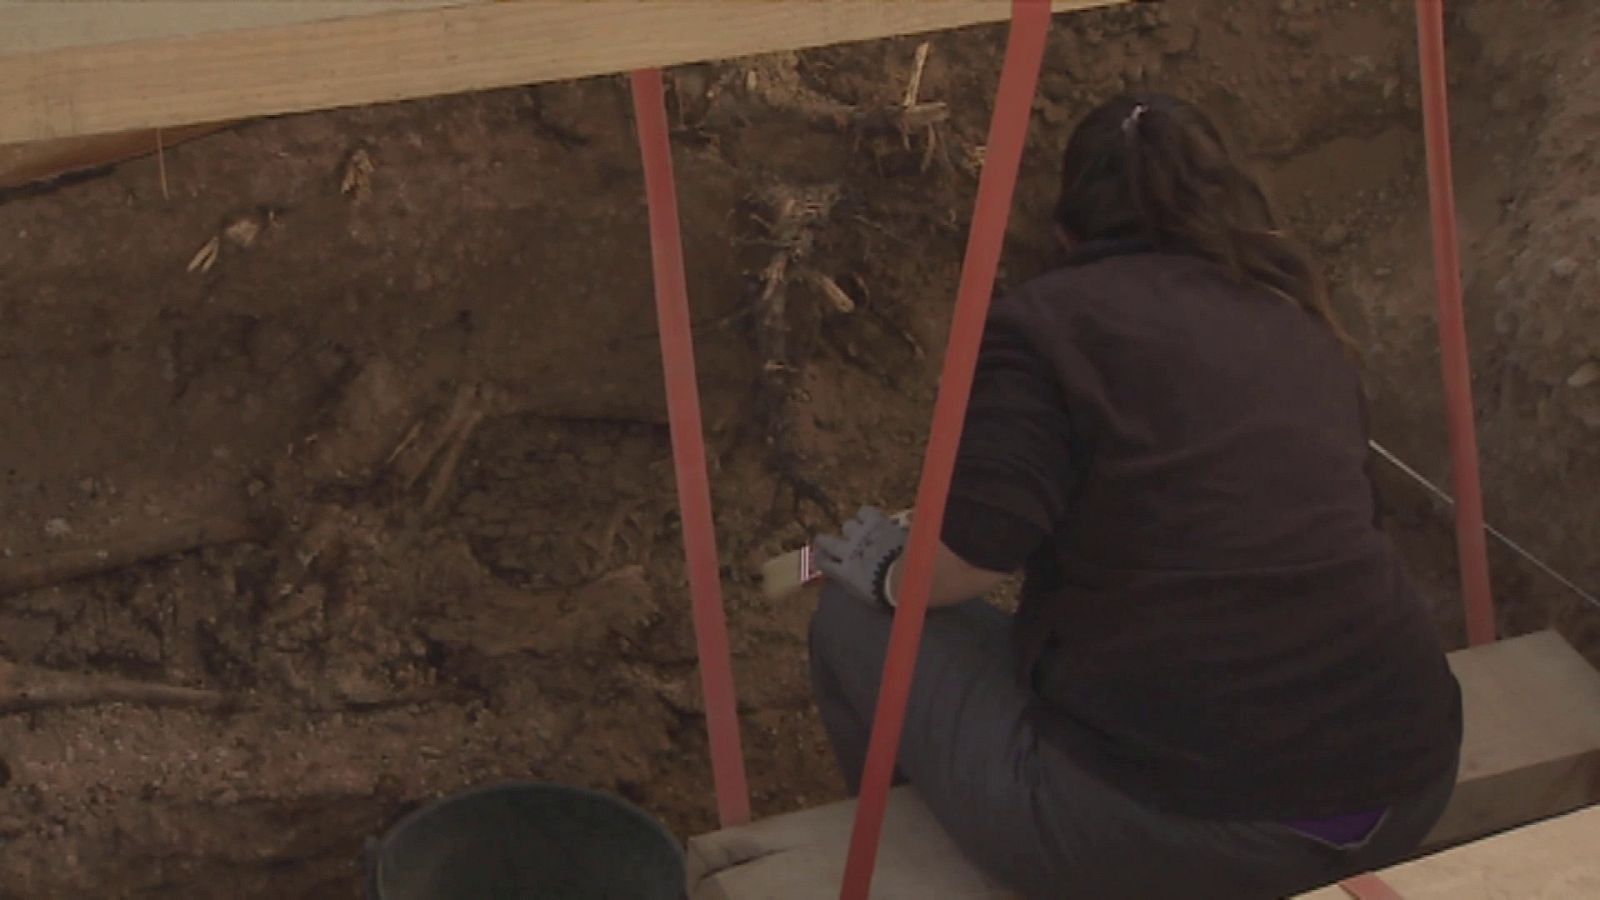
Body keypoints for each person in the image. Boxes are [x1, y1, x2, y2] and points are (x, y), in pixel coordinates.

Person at [807, 92, 1463, 900]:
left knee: (852, 619)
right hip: (1404, 784)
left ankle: (928, 867)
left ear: (1067, 229)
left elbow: (971, 560)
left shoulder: (1043, 326)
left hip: (1186, 835)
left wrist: (888, 570)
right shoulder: (1292, 316)